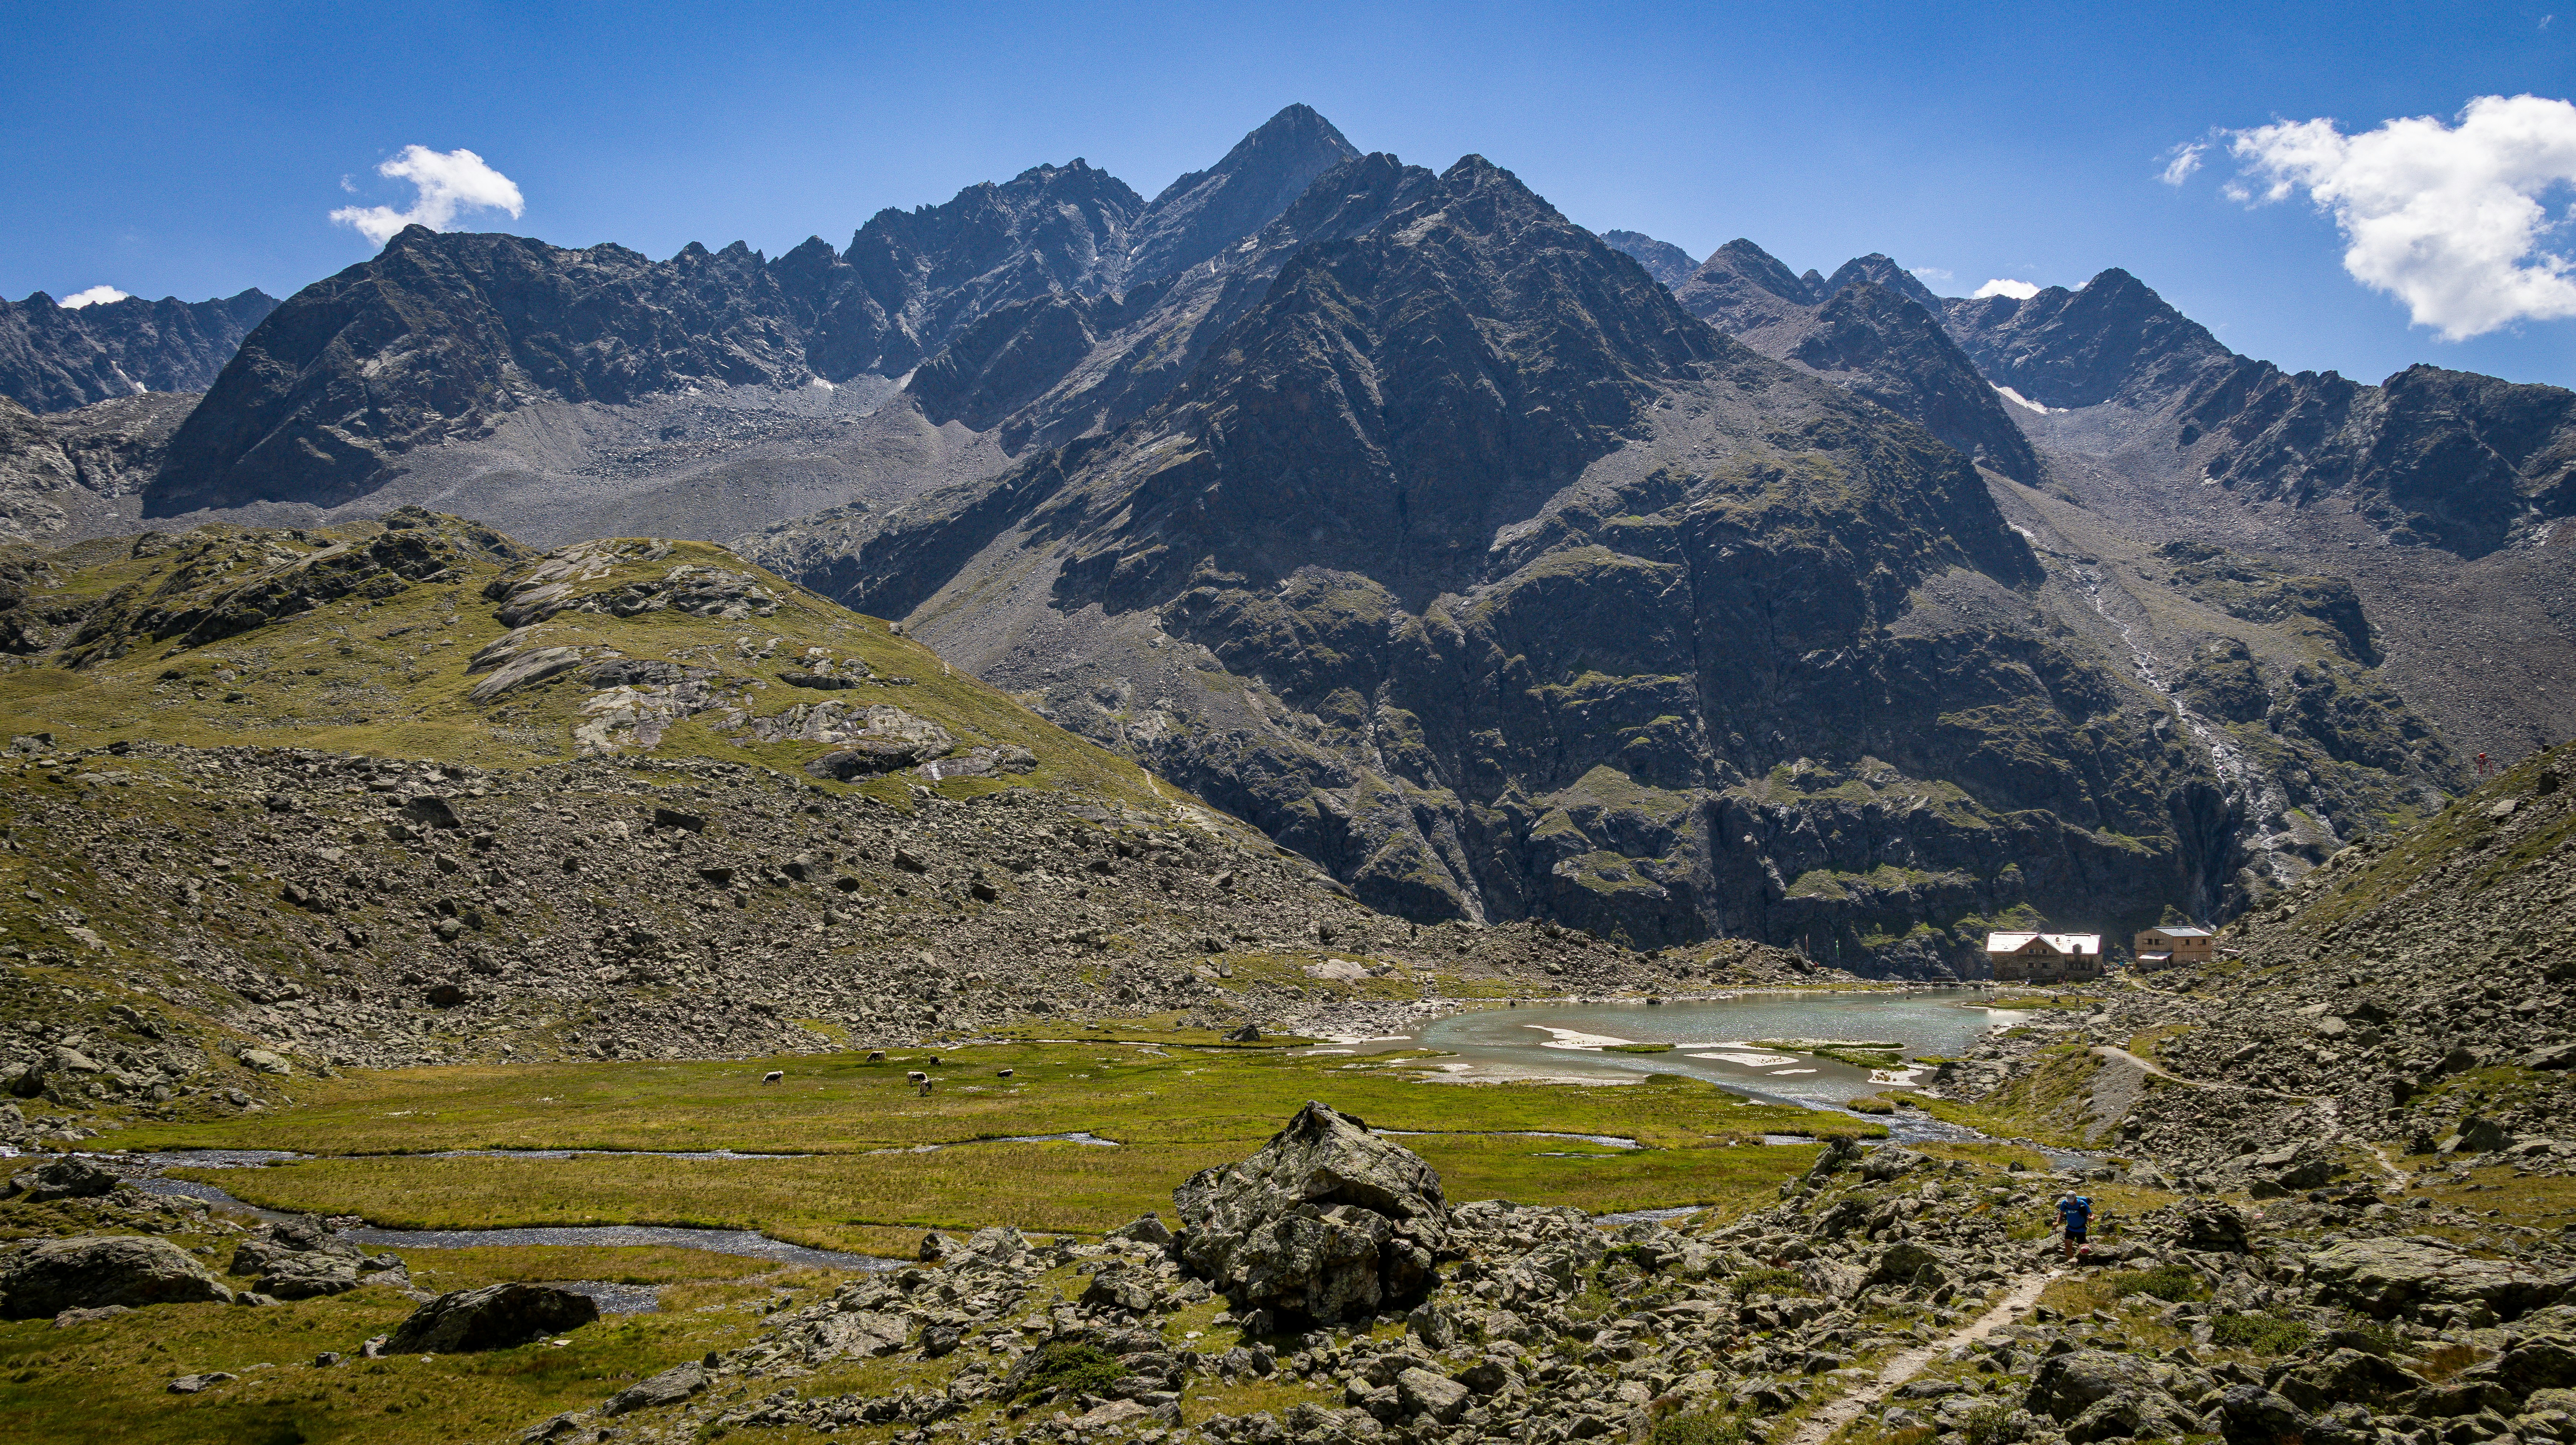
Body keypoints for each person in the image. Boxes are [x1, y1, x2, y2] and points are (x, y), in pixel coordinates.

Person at [2056, 1193, 2093, 1261]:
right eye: (2069, 1201)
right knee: (2068, 1246)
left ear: (2076, 1198)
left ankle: (2082, 1263)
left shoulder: (2082, 1204)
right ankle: (2072, 1262)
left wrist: (2091, 1219)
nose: (2071, 1203)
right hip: (2070, 1228)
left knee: (2082, 1248)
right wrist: (2057, 1223)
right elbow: (2061, 1214)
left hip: (2081, 1229)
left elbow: (2092, 1215)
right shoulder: (2065, 1203)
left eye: (2072, 1201)